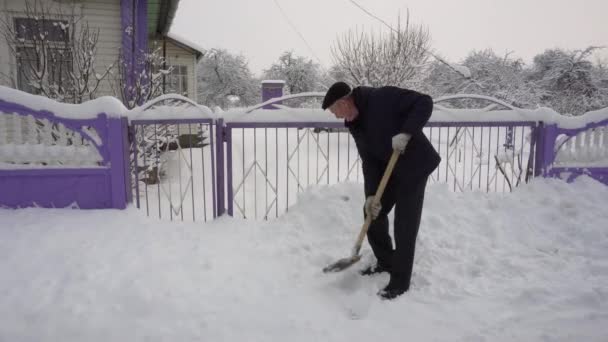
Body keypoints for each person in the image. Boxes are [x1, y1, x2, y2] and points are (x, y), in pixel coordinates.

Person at [322, 81, 441, 300]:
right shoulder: (355, 124)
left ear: (345, 102)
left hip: (414, 166)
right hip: (391, 169)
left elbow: (424, 102)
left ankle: (400, 281)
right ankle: (386, 261)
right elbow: (369, 163)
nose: (336, 117)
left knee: (404, 223)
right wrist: (371, 196)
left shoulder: (382, 98)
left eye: (334, 110)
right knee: (373, 213)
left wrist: (406, 132)